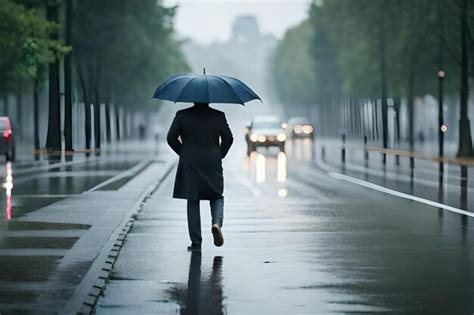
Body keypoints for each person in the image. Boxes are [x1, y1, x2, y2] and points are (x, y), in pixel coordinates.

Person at [167, 102, 234, 251]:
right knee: (216, 195)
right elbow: (228, 138)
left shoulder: (182, 115)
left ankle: (196, 242)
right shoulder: (218, 116)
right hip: (212, 161)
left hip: (190, 162)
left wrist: (184, 153)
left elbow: (171, 138)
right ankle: (216, 223)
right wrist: (219, 154)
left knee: (193, 198)